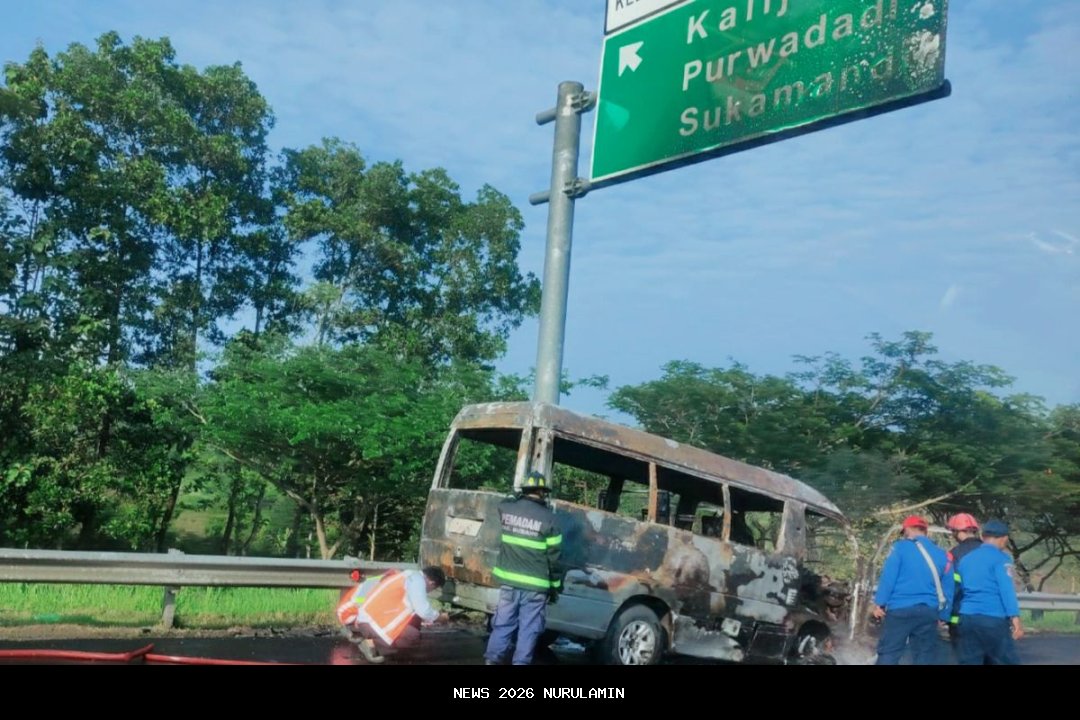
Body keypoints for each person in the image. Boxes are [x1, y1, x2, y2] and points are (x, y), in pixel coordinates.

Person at [483, 470, 563, 666]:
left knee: (503, 624)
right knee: (529, 628)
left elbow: (503, 502)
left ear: (524, 491)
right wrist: (555, 587)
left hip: (509, 583)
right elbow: (555, 558)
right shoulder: (551, 519)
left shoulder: (508, 509)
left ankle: (492, 660)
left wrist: (514, 494)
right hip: (536, 588)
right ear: (543, 492)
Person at [872, 515, 954, 665]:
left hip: (900, 610)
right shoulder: (944, 555)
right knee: (924, 655)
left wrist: (880, 603)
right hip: (928, 612)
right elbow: (948, 588)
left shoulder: (899, 547)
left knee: (890, 651)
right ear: (925, 531)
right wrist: (944, 615)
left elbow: (888, 577)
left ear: (908, 529)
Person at [338, 566, 449, 664]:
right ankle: (372, 644)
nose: (429, 591)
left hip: (361, 616)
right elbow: (423, 610)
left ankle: (363, 634)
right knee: (412, 636)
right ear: (432, 583)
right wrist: (440, 617)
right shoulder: (417, 580)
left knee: (414, 621)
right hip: (363, 619)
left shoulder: (407, 575)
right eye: (433, 589)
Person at [954, 519, 1024, 665]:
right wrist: (1015, 617)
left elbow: (958, 588)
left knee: (970, 661)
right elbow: (1006, 589)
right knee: (1005, 660)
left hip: (967, 617)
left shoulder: (966, 560)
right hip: (993, 617)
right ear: (1004, 538)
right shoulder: (1002, 559)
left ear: (983, 537)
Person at [945, 512, 983, 644]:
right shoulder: (991, 551)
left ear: (957, 532)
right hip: (991, 618)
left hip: (962, 617)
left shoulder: (954, 554)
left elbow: (951, 587)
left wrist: (944, 614)